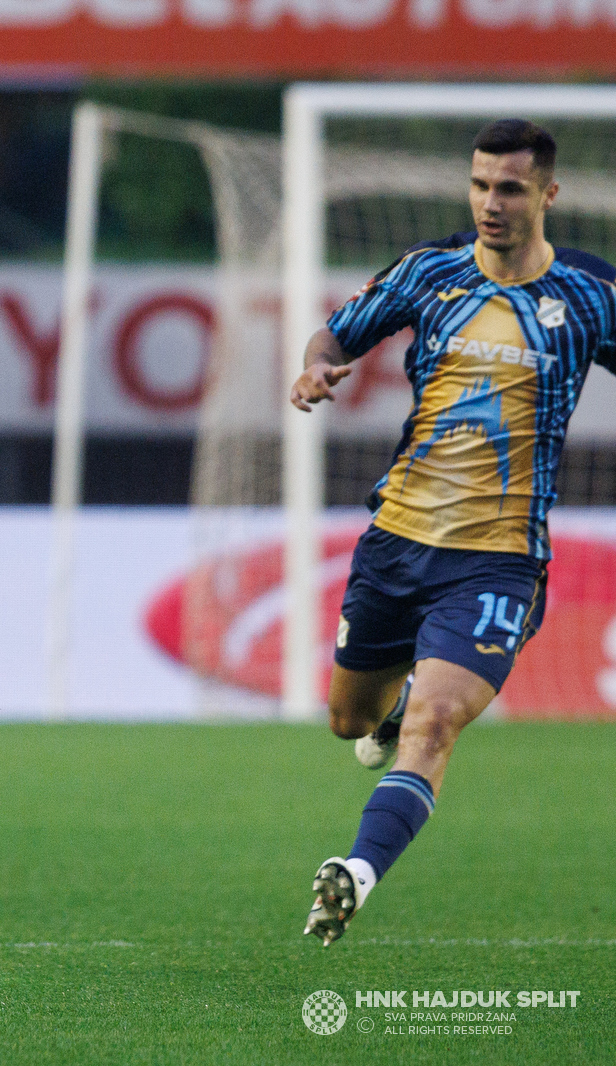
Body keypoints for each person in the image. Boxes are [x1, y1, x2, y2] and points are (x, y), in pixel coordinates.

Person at [290, 120, 616, 946]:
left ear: (548, 194)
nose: (489, 204)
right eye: (479, 185)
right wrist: (319, 363)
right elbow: (338, 329)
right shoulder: (430, 272)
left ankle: (355, 873)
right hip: (397, 541)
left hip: (499, 562)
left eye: (508, 188)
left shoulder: (589, 295)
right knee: (349, 722)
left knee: (436, 725)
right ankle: (386, 711)